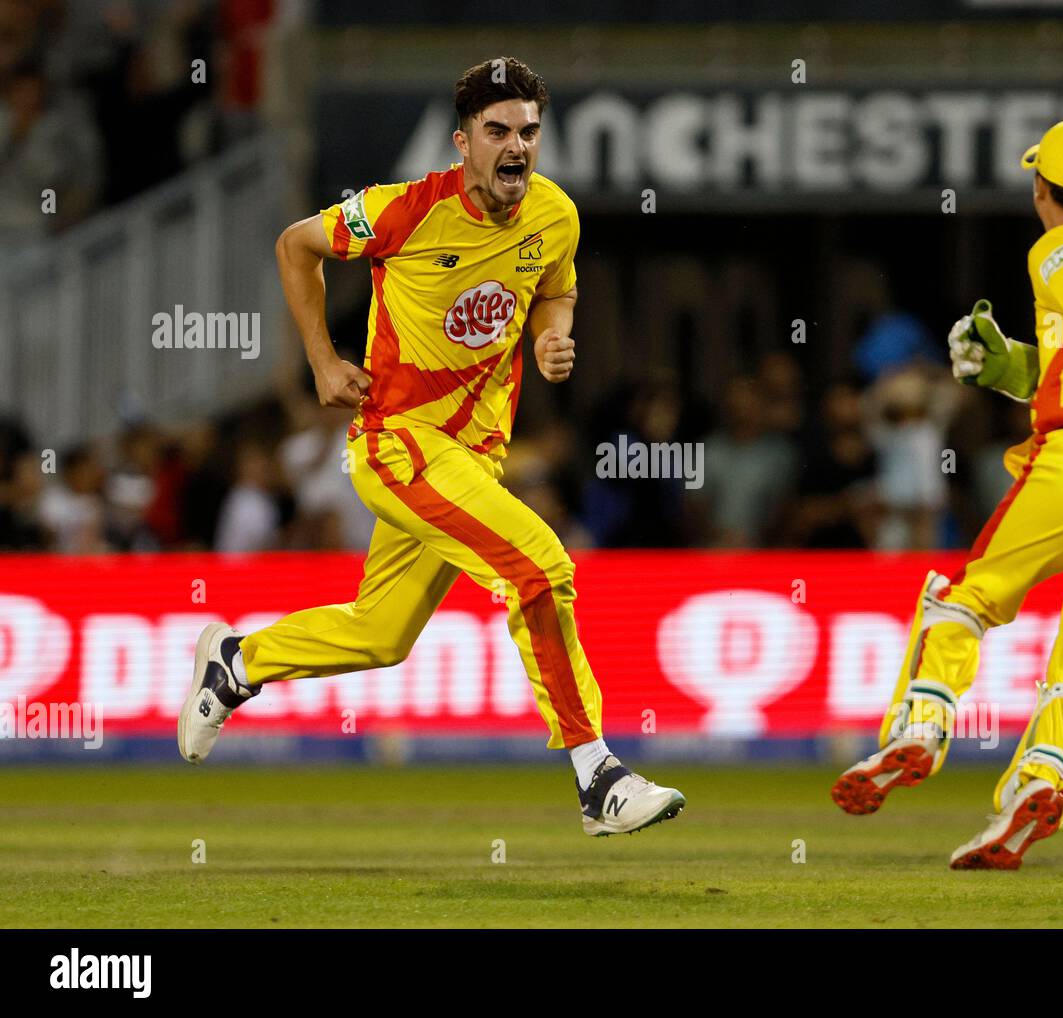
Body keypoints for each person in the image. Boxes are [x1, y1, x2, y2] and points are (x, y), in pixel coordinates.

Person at [178, 57, 684, 837]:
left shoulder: (555, 214)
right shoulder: (403, 210)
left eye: (528, 131)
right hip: (399, 444)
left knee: (382, 633)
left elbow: (556, 289)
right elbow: (293, 246)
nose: (516, 146)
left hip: (473, 454)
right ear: (462, 143)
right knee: (540, 567)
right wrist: (320, 359)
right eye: (497, 131)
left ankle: (238, 663)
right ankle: (599, 777)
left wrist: (555, 338)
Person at [830, 119, 1063, 869]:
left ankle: (920, 727)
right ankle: (1044, 778)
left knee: (967, 597)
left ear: (1041, 188)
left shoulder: (1061, 247)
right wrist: (1007, 368)